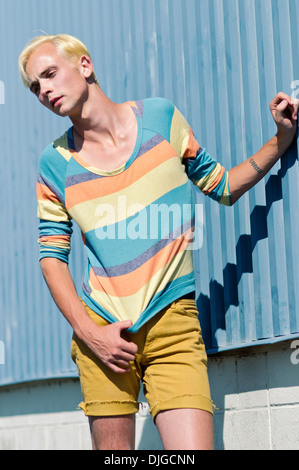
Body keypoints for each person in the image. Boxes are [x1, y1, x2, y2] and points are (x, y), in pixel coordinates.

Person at [19, 34, 298, 451]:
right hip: (103, 333)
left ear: (84, 65)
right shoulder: (54, 163)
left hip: (173, 325)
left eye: (49, 74)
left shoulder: (161, 119)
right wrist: (89, 334)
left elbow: (221, 185)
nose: (44, 90)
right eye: (34, 86)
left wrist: (282, 139)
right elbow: (51, 257)